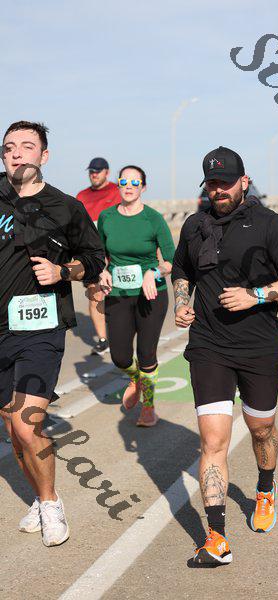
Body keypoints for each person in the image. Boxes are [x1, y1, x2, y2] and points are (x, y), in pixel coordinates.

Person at [172, 146, 278, 565]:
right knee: (213, 441)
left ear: (244, 181)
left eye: (226, 182)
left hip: (258, 347)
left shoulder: (270, 225)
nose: (218, 190)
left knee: (261, 429)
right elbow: (182, 270)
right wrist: (181, 302)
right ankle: (216, 539)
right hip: (208, 346)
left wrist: (257, 295)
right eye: (212, 183)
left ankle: (265, 488)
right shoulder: (195, 226)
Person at [0, 121, 105, 546]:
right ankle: (39, 496)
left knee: (27, 425)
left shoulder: (65, 207)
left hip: (39, 327)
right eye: (9, 147)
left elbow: (94, 259)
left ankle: (49, 502)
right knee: (12, 430)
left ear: (44, 156)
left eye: (27, 146)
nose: (16, 153)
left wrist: (63, 271)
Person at [98, 165, 175, 427]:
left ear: (143, 187)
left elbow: (172, 261)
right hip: (118, 294)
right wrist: (102, 271)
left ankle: (149, 407)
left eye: (135, 182)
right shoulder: (107, 217)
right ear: (118, 185)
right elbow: (98, 254)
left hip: (151, 295)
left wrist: (154, 272)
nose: (128, 186)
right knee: (120, 356)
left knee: (146, 353)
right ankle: (135, 378)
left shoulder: (153, 219)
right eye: (124, 182)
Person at [77, 158, 120, 355]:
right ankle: (103, 340)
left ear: (106, 172)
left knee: (116, 295)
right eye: (91, 171)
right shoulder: (82, 196)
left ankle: (122, 332)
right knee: (95, 293)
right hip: (91, 253)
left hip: (115, 252)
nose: (94, 174)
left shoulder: (117, 191)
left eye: (98, 171)